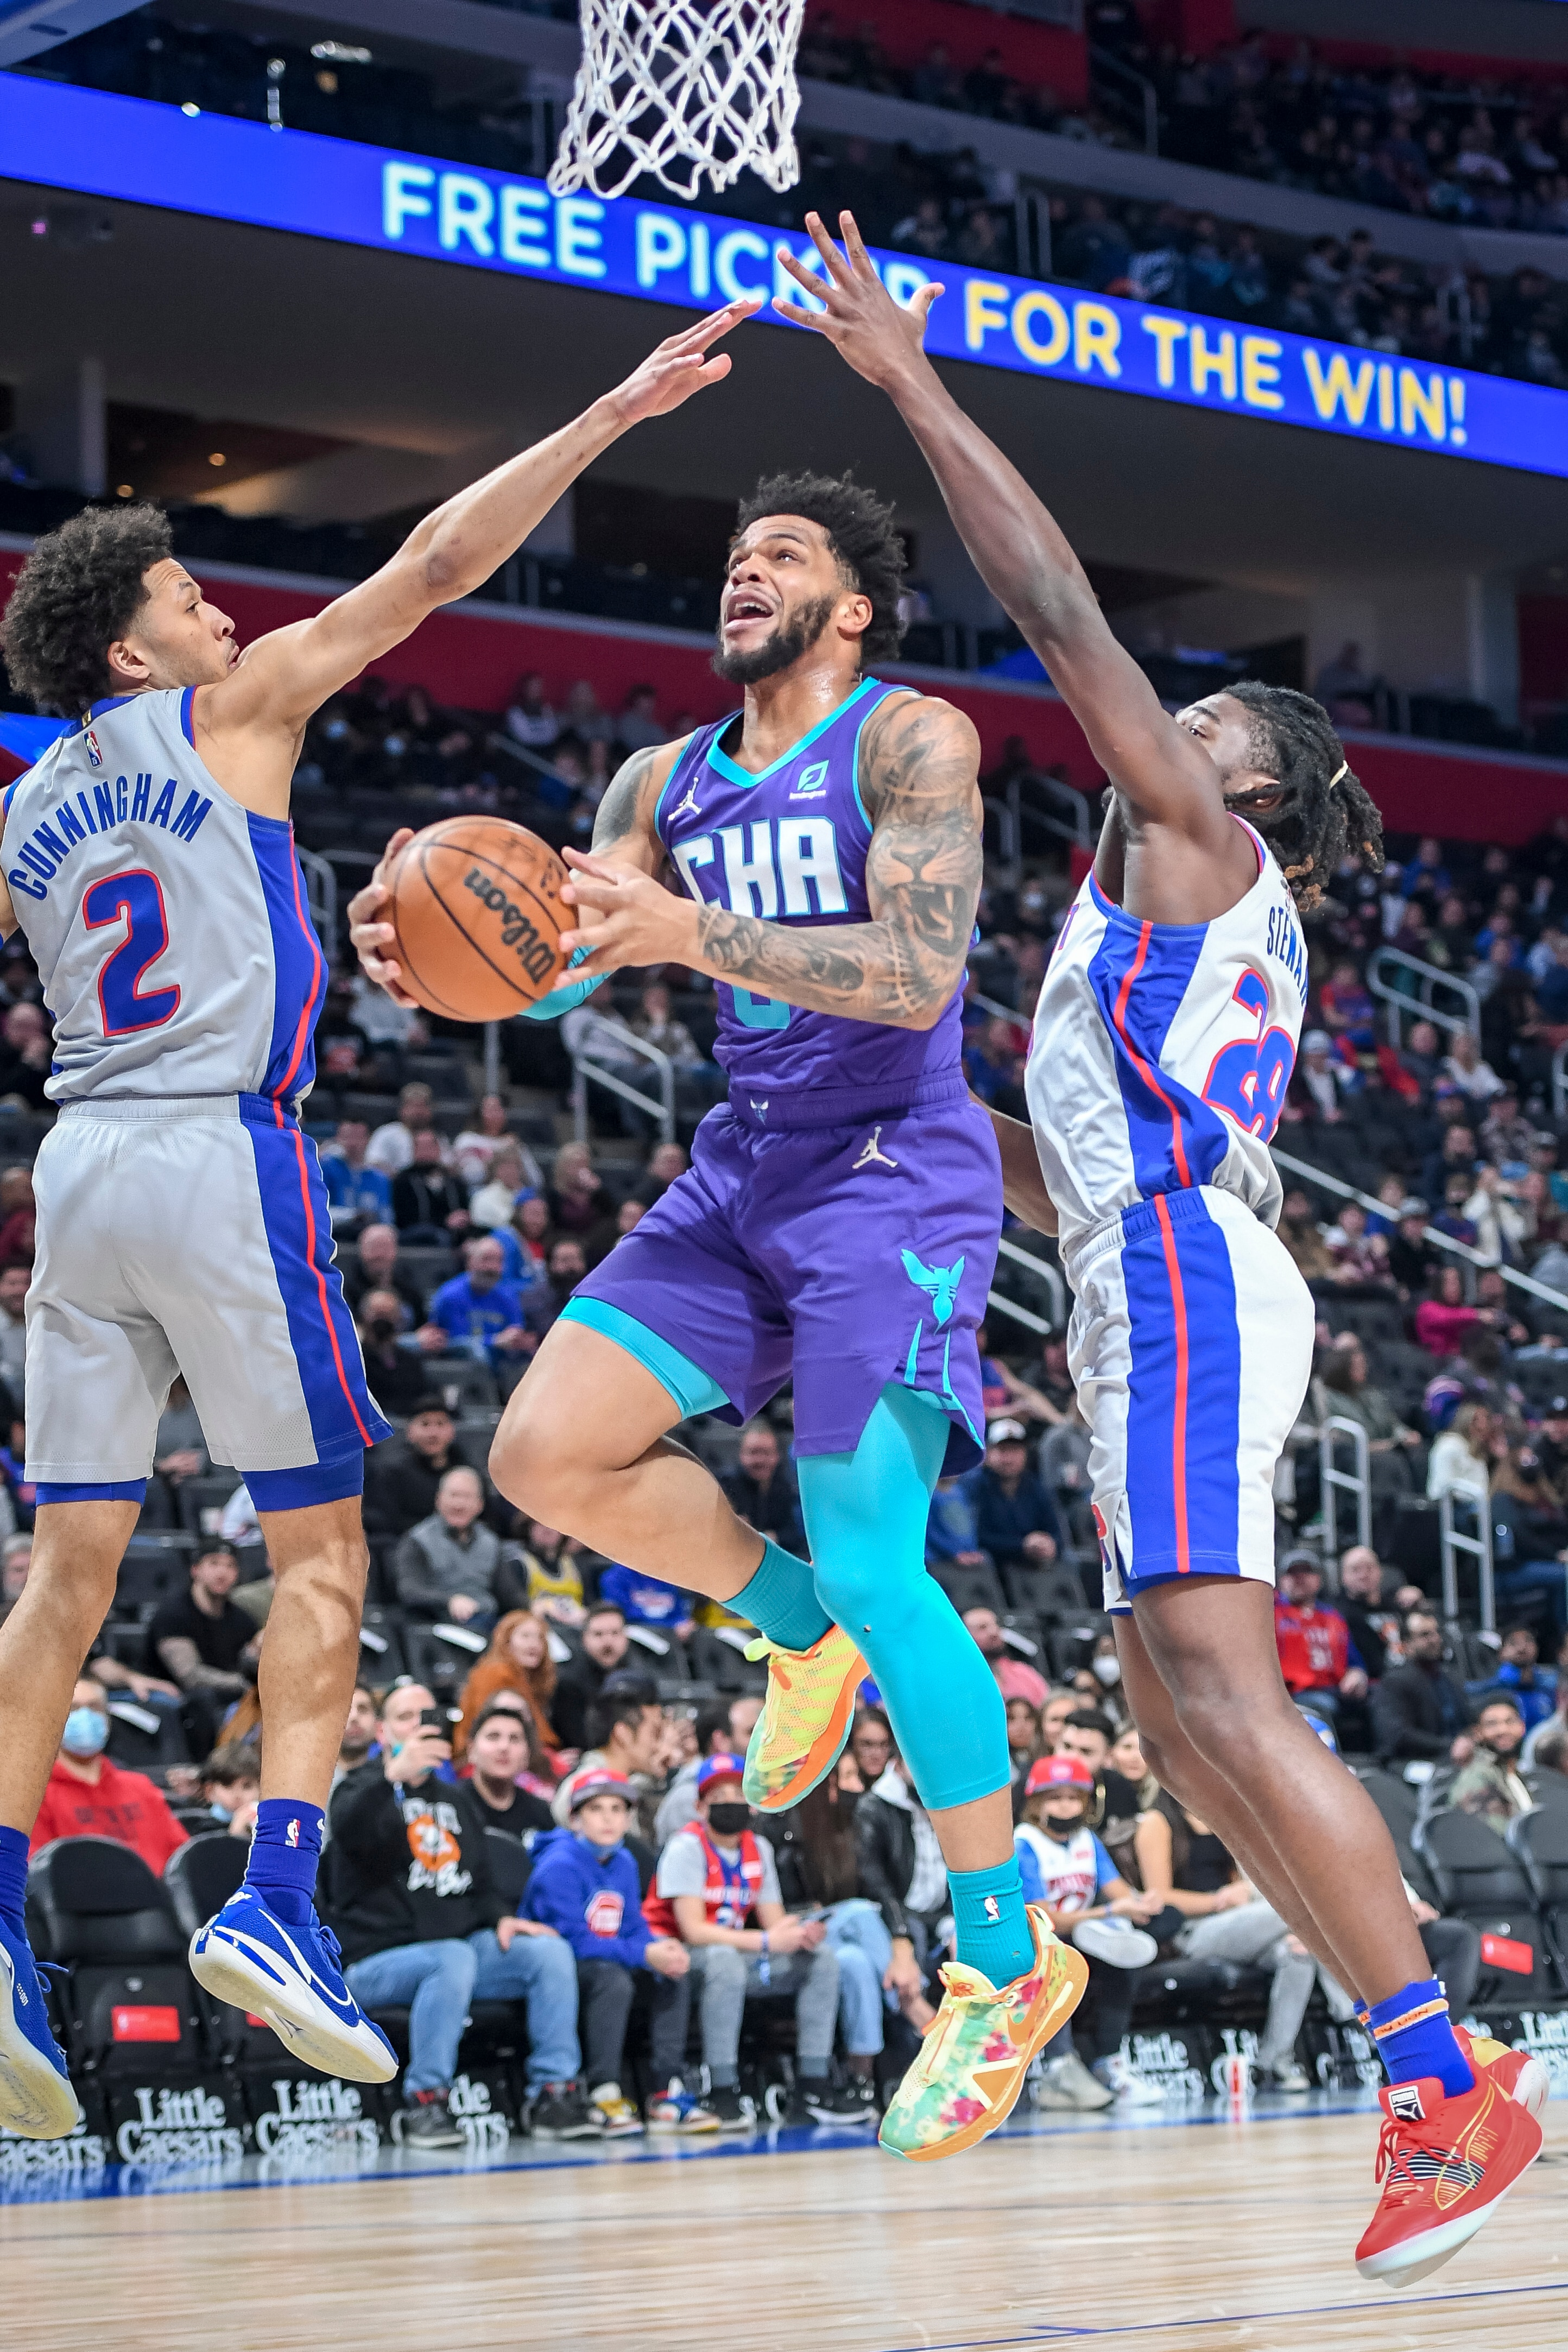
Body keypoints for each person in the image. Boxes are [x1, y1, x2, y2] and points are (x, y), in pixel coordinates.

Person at [771, 211, 1540, 2256]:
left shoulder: (1201, 844)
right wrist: (912, 1115)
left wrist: (909, 385)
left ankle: (1438, 2069)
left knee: (1212, 1673)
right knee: (1167, 1703)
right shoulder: (1142, 924)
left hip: (1184, 1266)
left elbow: (1045, 600)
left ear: (1256, 785)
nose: (1159, 729)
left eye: (1201, 723)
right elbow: (1057, 1158)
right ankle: (1433, 2051)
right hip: (1143, 1246)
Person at [0, 296, 757, 2130]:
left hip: (74, 1176)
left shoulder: (25, 802)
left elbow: (137, 944)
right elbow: (428, 563)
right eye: (190, 592)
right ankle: (270, 1901)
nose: (223, 610)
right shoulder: (227, 711)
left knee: (66, 1572)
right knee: (323, 1547)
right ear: (132, 638)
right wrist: (608, 411)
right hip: (210, 1163)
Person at [353, 460, 1074, 2165]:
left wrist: (692, 927)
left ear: (851, 606)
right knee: (543, 1451)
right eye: (734, 556)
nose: (741, 577)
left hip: (893, 1175)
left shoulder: (911, 742)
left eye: (781, 559)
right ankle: (789, 1624)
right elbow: (576, 944)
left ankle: (999, 1959)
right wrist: (440, 937)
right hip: (741, 1168)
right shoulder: (658, 775)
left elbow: (911, 976)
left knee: (887, 1552)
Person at [328, 1680, 595, 2148]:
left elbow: (481, 1881)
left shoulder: (455, 1802)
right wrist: (390, 1775)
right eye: (406, 1718)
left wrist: (500, 1919)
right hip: (375, 1960)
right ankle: (425, 2102)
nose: (418, 1728)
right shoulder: (358, 1787)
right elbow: (349, 1836)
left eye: (426, 1718)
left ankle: (554, 2093)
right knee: (450, 1957)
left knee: (547, 1953)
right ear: (384, 1729)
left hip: (457, 1954)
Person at [643, 1755, 861, 2128]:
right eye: (719, 1795)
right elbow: (693, 1931)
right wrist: (766, 1941)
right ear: (700, 1807)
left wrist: (800, 1932)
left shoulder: (758, 1847)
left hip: (734, 1955)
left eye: (738, 1794)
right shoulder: (686, 1847)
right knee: (724, 1959)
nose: (731, 1803)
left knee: (821, 1959)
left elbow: (774, 1923)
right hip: (677, 1960)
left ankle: (812, 2086)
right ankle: (722, 2090)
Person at [524, 1769, 692, 2135]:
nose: (608, 1818)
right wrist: (643, 1954)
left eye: (618, 1809)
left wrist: (657, 1948)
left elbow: (631, 1927)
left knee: (673, 1970)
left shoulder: (624, 1861)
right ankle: (603, 2090)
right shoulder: (558, 1865)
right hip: (564, 1972)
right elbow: (573, 1942)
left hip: (608, 1957)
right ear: (575, 1818)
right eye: (596, 1808)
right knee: (612, 1979)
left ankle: (667, 2089)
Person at [1134, 1792, 1319, 2093]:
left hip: (1243, 1925)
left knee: (1297, 1953)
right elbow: (1158, 1898)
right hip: (1192, 1930)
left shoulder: (1221, 1815)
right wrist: (1217, 1901)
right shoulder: (1158, 1822)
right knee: (1294, 1909)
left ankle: (1275, 2060)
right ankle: (1352, 2013)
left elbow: (1244, 1881)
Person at [1014, 1755, 1162, 2108]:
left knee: (1128, 1956)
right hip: (1039, 1939)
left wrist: (1143, 1905)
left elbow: (1120, 1893)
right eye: (1055, 1797)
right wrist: (1111, 1911)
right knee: (1059, 1955)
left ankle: (1109, 2064)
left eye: (1073, 1797)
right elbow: (1044, 1916)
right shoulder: (1025, 1844)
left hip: (1086, 1930)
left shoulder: (1088, 1841)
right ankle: (1060, 2066)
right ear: (1036, 1802)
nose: (1065, 1805)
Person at [29, 1675, 188, 1870]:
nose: (85, 1716)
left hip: (157, 1898)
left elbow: (182, 1861)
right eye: (73, 1708)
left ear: (107, 1719)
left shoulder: (141, 1787)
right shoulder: (35, 1797)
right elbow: (39, 1875)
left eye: (95, 1707)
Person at [144, 1541, 263, 1755]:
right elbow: (190, 1676)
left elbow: (251, 1664)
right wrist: (242, 1683)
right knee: (203, 1699)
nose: (222, 1573)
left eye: (230, 1566)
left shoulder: (242, 1619)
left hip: (231, 1699)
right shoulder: (174, 1614)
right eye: (214, 1563)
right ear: (196, 1569)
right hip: (181, 1703)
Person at [394, 1467, 505, 1628]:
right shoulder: (416, 1540)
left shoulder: (491, 1542)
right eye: (454, 1496)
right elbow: (410, 1590)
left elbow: (510, 1594)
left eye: (467, 1497)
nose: (459, 1504)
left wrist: (536, 1605)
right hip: (436, 1628)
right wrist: (450, 1600)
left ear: (480, 1505)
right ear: (439, 1500)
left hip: (487, 1624)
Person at [1272, 1553, 1369, 1727]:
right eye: (1293, 1573)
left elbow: (1354, 1661)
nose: (1300, 1578)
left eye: (1307, 1572)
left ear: (1319, 1579)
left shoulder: (1333, 1616)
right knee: (1323, 1705)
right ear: (1281, 1580)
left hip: (1337, 1689)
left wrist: (1357, 1673)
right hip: (1293, 1693)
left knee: (1380, 1696)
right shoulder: (1272, 1614)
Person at [958, 1420, 1065, 1576]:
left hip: (1034, 1569)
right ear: (988, 1453)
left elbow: (1057, 1534)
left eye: (1015, 1450)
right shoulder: (974, 1488)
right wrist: (1022, 1546)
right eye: (1003, 1451)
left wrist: (1050, 1545)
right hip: (994, 1569)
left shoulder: (1037, 1488)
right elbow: (976, 1538)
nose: (1009, 1458)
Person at [363, 1399, 480, 1539]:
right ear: (410, 1431)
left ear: (452, 1431)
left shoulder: (468, 1474)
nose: (433, 1433)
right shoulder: (392, 1473)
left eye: (441, 1424)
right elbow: (384, 1523)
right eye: (425, 1424)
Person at [454, 1609, 559, 1761]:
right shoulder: (496, 1673)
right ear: (506, 1642)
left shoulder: (526, 1679)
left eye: (540, 1638)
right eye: (525, 1636)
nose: (534, 1644)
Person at [1372, 1613, 1475, 1763]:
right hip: (1414, 1762)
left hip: (1458, 1758)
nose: (1435, 1640)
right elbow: (1397, 1736)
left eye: (1437, 1633)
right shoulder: (1395, 1682)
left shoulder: (1450, 1677)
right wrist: (1450, 1745)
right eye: (1425, 1635)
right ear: (1406, 1644)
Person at [457, 1703, 555, 1838]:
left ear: (527, 1756)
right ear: (471, 1750)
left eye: (514, 1739)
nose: (504, 1747)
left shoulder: (540, 1813)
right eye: (493, 1736)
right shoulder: (451, 1805)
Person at [551, 1603, 633, 1754]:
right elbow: (579, 1742)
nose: (608, 1642)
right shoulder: (569, 1684)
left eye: (615, 1633)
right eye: (598, 1634)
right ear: (584, 1638)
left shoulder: (637, 1678)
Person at [717, 1419, 805, 1553]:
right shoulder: (723, 1486)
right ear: (742, 1455)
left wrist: (770, 1537)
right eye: (754, 1453)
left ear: (777, 1456)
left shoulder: (783, 1488)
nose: (760, 1460)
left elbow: (793, 1536)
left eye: (766, 1453)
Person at [1446, 1696, 1534, 1828]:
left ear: (1522, 1727)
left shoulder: (1515, 1774)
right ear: (1478, 1732)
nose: (1503, 1730)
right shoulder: (1477, 1778)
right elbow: (1490, 1842)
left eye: (1510, 1721)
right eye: (1492, 1724)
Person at [962, 1604, 1048, 1710]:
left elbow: (1047, 1710)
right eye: (982, 1628)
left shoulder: (1025, 1674)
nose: (994, 1632)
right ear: (965, 1636)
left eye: (996, 1625)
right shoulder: (960, 1680)